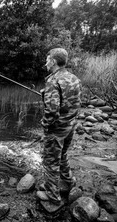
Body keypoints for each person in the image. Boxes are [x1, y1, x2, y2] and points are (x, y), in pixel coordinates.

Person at [37, 48, 82, 213]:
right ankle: (68, 181)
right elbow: (75, 103)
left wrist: (45, 124)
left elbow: (52, 111)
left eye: (48, 59)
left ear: (54, 61)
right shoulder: (73, 78)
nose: (46, 62)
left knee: (50, 162)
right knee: (62, 155)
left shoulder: (52, 81)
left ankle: (53, 196)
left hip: (57, 129)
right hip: (70, 125)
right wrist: (47, 95)